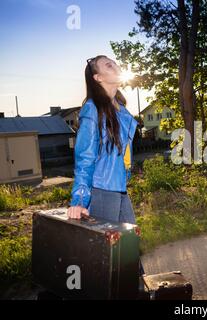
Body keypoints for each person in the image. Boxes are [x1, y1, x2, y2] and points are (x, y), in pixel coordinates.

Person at [67, 55, 145, 276]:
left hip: (120, 192)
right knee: (104, 263)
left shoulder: (120, 110)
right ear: (98, 77)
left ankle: (136, 290)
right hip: (100, 192)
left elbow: (123, 155)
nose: (116, 66)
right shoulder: (92, 109)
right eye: (108, 65)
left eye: (115, 63)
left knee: (129, 253)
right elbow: (84, 158)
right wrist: (80, 200)